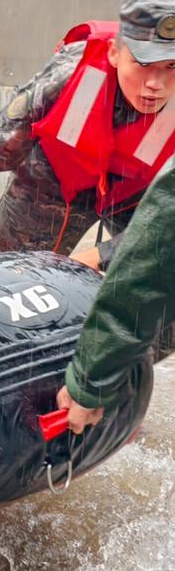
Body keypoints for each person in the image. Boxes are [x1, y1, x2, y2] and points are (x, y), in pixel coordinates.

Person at [0, 0, 175, 267]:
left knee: (160, 272)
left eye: (171, 65)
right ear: (115, 53)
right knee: (9, 276)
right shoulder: (71, 74)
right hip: (53, 179)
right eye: (142, 63)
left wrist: (97, 258)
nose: (155, 83)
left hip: (136, 188)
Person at [57, 167, 175, 434]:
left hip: (133, 187)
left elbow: (157, 255)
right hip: (83, 177)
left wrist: (91, 383)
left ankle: (121, 401)